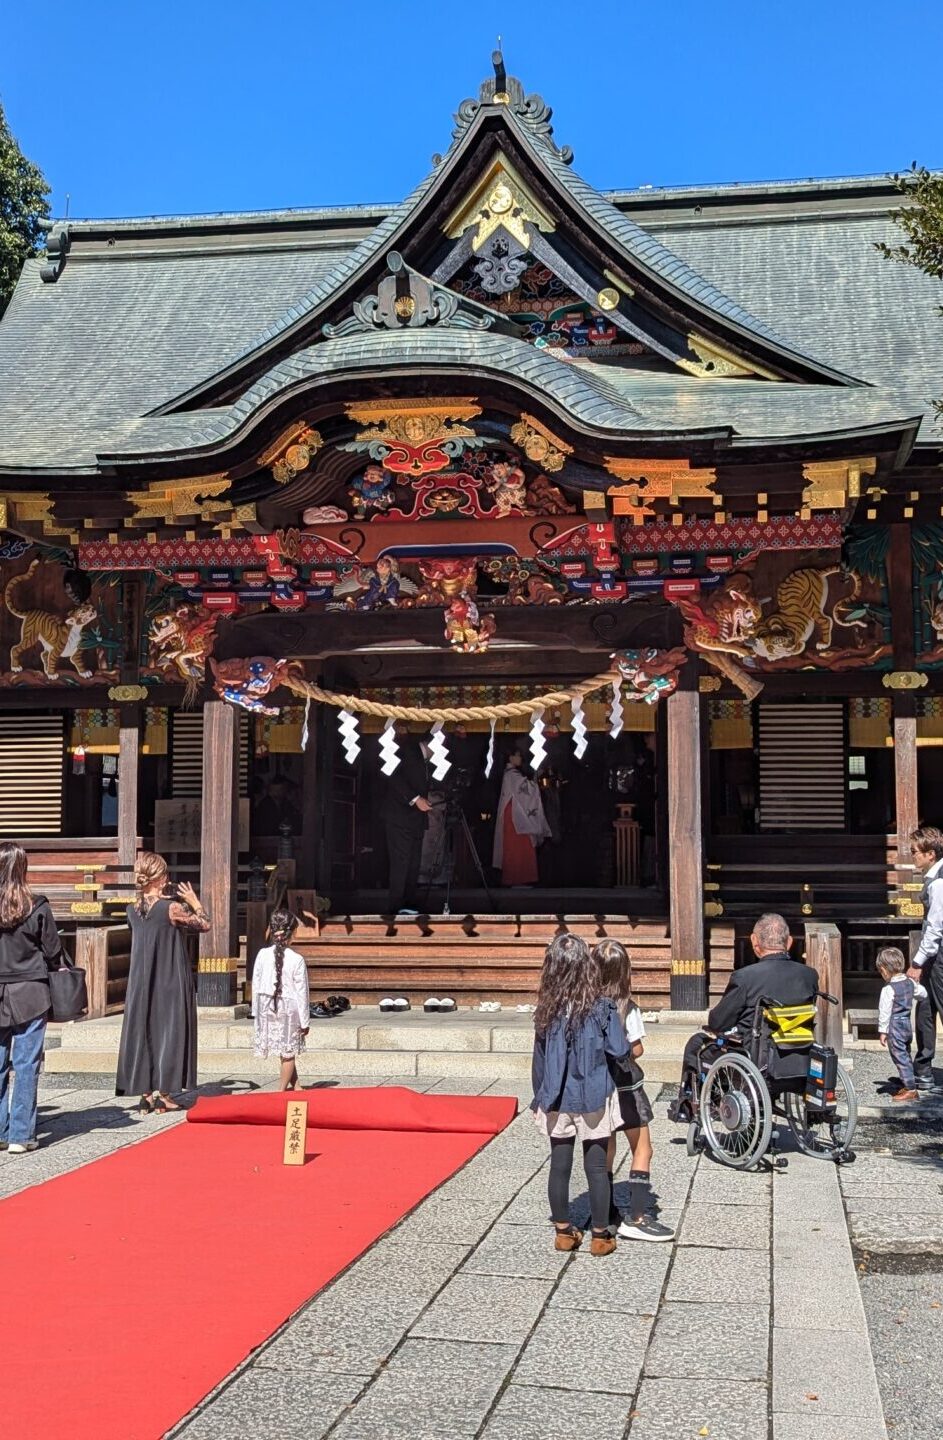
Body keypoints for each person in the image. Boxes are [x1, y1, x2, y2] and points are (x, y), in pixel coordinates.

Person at [531, 933, 630, 1257]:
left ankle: (563, 1231)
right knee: (597, 1166)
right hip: (593, 1095)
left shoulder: (546, 1011)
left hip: (557, 1096)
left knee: (559, 1164)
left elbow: (539, 1060)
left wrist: (541, 1097)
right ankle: (600, 1235)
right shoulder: (601, 1007)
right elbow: (619, 1048)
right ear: (588, 968)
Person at [670, 912, 819, 1122]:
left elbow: (718, 1022)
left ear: (754, 941)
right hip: (801, 1056)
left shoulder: (745, 977)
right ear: (790, 942)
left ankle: (690, 1107)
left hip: (758, 1059)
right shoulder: (809, 975)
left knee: (697, 1044)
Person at [116, 852, 210, 1114]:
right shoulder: (171, 908)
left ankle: (145, 1093)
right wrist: (195, 901)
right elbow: (204, 925)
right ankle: (165, 1093)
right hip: (169, 975)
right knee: (169, 1030)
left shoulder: (132, 909)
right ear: (160, 878)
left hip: (140, 980)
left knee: (145, 1030)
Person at [595, 939, 674, 1243]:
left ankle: (605, 1210)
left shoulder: (586, 1004)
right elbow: (637, 1048)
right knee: (642, 1148)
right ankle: (637, 1217)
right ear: (625, 971)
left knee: (606, 1149)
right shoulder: (628, 1006)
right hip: (626, 1086)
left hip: (599, 1087)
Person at [0, 842, 65, 1153]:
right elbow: (53, 951)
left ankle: (1, 1130)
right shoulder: (36, 905)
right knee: (26, 1064)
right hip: (30, 991)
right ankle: (21, 1135)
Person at [253, 910, 309, 1090]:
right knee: (288, 1051)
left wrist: (256, 1011)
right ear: (292, 932)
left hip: (266, 1004)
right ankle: (281, 1091)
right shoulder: (297, 959)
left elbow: (256, 981)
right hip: (288, 1006)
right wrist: (305, 1020)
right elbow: (302, 992)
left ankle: (297, 1086)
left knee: (283, 1047)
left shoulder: (262, 954)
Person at [382, 727, 432, 917]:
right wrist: (415, 798)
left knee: (413, 863)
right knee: (400, 862)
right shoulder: (408, 752)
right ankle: (395, 905)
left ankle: (409, 903)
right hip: (399, 817)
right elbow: (393, 777)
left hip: (416, 819)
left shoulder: (425, 761)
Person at [908, 825, 943, 1092]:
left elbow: (935, 927)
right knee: (924, 1010)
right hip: (935, 955)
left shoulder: (939, 881)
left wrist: (918, 961)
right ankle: (923, 1071)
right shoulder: (933, 877)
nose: (912, 857)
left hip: (939, 955)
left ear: (930, 854)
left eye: (915, 852)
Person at [492, 750, 551, 886]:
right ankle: (518, 879)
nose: (520, 758)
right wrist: (536, 779)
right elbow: (527, 788)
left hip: (516, 814)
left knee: (518, 846)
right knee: (517, 847)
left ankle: (518, 879)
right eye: (518, 755)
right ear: (510, 757)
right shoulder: (512, 775)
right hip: (515, 816)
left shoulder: (511, 774)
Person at [877, 946, 925, 1103]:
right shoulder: (910, 982)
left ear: (884, 970)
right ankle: (908, 1082)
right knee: (906, 1054)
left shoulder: (888, 989)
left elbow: (885, 1012)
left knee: (900, 1057)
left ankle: (911, 1089)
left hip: (895, 1026)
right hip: (906, 1024)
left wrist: (883, 1031)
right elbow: (922, 994)